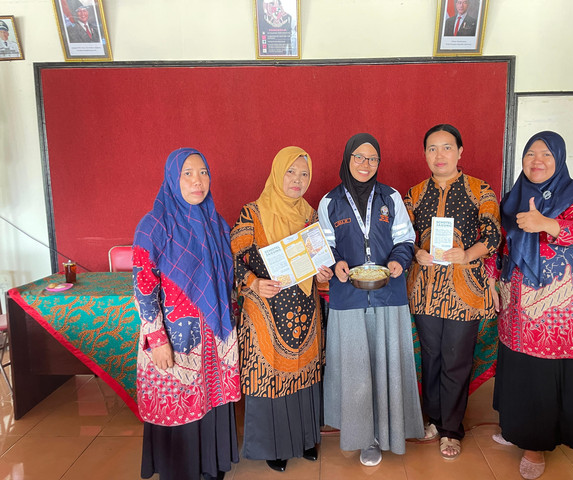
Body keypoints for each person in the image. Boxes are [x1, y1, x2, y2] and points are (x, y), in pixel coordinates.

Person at [488, 131, 573, 479]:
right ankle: (516, 428)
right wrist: (492, 279)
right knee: (517, 367)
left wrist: (548, 224)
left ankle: (535, 446)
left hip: (557, 304)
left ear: (559, 160)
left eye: (546, 155)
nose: (537, 161)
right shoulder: (512, 198)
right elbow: (500, 245)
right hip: (514, 301)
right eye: (530, 154)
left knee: (542, 372)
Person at [133, 148, 240, 480]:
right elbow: (143, 285)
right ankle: (181, 471)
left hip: (213, 335)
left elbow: (228, 277)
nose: (198, 181)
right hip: (176, 340)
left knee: (211, 401)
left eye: (204, 172)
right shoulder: (154, 225)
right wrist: (156, 339)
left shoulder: (215, 222)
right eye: (188, 173)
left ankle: (210, 467)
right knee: (181, 401)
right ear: (172, 177)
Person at [318, 133, 424, 467]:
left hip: (388, 294)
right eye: (359, 157)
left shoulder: (390, 197)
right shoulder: (329, 202)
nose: (366, 165)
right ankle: (365, 439)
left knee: (386, 364)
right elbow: (325, 243)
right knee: (356, 370)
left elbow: (405, 237)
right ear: (347, 158)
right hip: (347, 298)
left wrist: (399, 260)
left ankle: (389, 432)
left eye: (373, 158)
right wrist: (336, 263)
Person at [230, 146, 332, 473]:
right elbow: (233, 258)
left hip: (304, 312)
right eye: (291, 172)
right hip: (264, 312)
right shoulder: (253, 213)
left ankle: (304, 440)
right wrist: (253, 283)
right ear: (277, 172)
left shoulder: (310, 214)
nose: (297, 180)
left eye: (304, 174)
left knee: (303, 375)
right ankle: (273, 446)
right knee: (270, 376)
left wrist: (322, 272)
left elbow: (317, 262)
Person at [404, 124, 501, 460]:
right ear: (425, 154)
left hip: (466, 292)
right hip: (426, 290)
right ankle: (434, 420)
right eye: (432, 148)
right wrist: (416, 252)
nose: (439, 155)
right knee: (431, 359)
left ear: (460, 152)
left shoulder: (480, 190)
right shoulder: (414, 194)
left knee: (457, 360)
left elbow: (493, 234)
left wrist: (468, 254)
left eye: (447, 148)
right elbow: (403, 238)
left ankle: (452, 430)